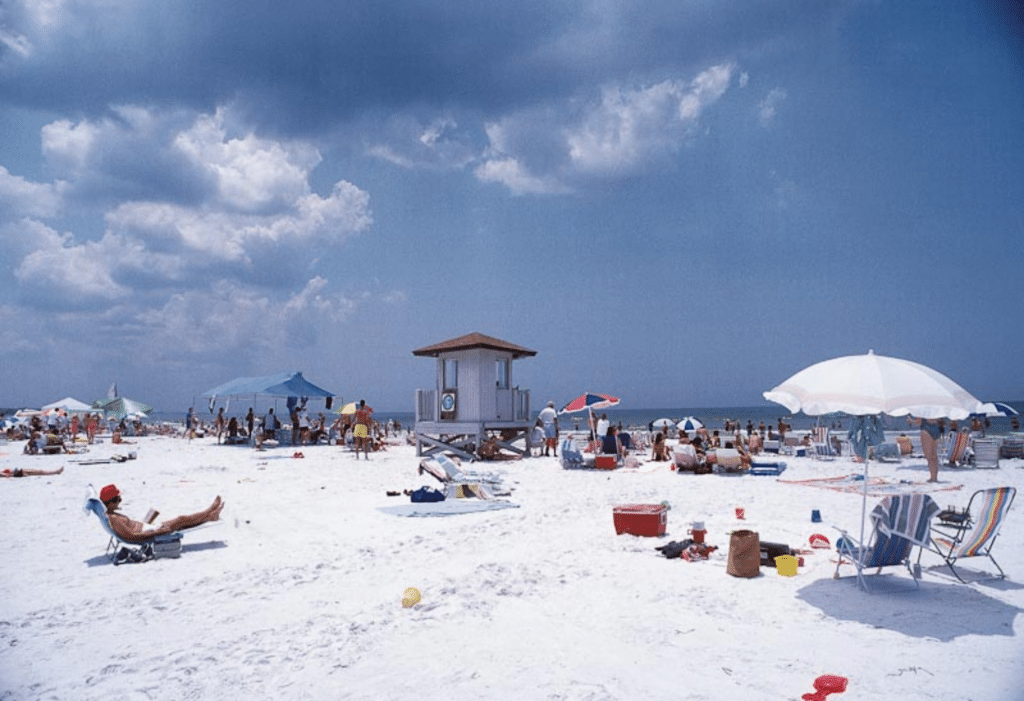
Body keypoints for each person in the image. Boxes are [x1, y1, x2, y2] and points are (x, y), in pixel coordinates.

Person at [99, 484, 224, 543]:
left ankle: (210, 516)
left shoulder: (111, 514)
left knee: (182, 523)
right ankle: (209, 513)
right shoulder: (114, 519)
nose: (120, 501)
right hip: (149, 532)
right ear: (109, 503)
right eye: (117, 499)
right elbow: (132, 536)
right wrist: (158, 532)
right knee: (181, 520)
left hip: (147, 527)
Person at [909, 416, 941, 482]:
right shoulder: (936, 408)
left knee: (929, 457)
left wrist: (911, 421)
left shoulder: (923, 408)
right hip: (936, 428)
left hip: (926, 428)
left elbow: (918, 421)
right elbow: (939, 420)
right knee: (934, 455)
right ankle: (935, 477)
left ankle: (932, 478)